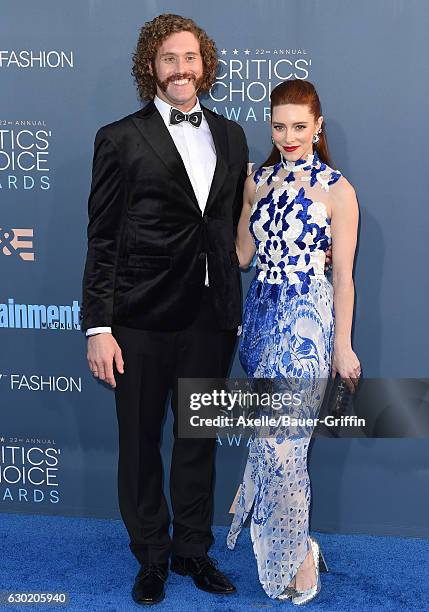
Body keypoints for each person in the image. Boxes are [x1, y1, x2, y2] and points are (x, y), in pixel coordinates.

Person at [80, 13, 248, 605]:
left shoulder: (230, 136)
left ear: (206, 66)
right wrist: (98, 326)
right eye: (170, 59)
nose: (182, 69)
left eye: (191, 58)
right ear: (150, 67)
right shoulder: (120, 137)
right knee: (140, 438)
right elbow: (102, 239)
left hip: (210, 317)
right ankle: (151, 553)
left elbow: (227, 228)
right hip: (140, 316)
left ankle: (192, 550)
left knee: (198, 440)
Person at [227, 79, 360, 605]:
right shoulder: (257, 179)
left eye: (299, 127)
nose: (288, 136)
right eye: (279, 126)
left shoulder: (339, 190)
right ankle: (293, 543)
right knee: (270, 442)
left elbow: (345, 277)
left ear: (318, 127)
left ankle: (298, 551)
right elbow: (242, 256)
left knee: (284, 450)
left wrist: (342, 347)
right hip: (260, 320)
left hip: (308, 323)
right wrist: (245, 200)